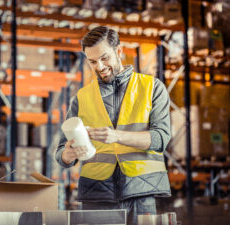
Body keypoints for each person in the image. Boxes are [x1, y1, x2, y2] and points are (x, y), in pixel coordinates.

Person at [55, 26, 171, 225]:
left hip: (141, 195)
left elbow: (161, 138)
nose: (99, 66)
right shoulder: (82, 98)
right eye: (92, 61)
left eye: (104, 58)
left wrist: (117, 136)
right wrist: (68, 155)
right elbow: (61, 153)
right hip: (96, 195)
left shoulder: (152, 88)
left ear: (118, 51)